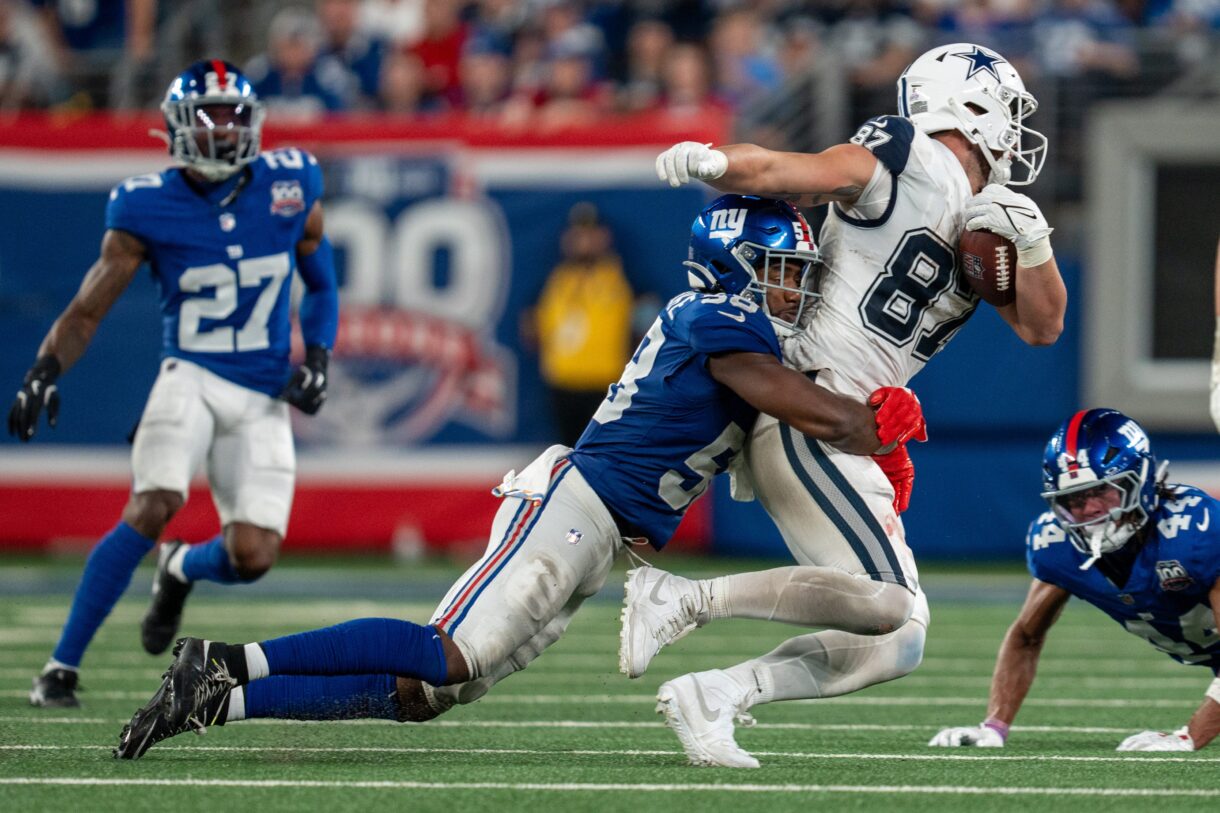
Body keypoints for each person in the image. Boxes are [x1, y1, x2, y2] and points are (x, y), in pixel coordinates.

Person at [112, 195, 927, 759]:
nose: (793, 283)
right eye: (780, 266)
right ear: (736, 261)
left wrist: (867, 446)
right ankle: (228, 659)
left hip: (602, 527)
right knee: (452, 653)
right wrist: (870, 424)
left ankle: (221, 696)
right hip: (576, 504)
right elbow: (800, 408)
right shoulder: (717, 315)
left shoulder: (737, 327)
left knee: (428, 691)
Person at [631, 42, 1068, 768]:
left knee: (899, 636)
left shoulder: (987, 213)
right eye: (1008, 111)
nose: (1015, 130)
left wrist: (1030, 236)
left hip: (853, 428)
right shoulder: (906, 151)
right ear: (973, 105)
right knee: (888, 600)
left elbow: (1042, 325)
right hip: (814, 402)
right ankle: (681, 599)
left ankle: (717, 693)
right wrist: (718, 162)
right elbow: (790, 172)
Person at [8, 60, 338, 708]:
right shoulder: (145, 203)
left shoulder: (292, 183)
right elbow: (86, 309)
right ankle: (59, 667)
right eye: (209, 117)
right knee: (154, 499)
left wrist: (320, 357)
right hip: (189, 372)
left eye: (234, 116)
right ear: (177, 127)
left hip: (263, 387)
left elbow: (322, 283)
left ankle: (180, 565)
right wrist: (44, 368)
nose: (223, 130)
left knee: (254, 555)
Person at [930, 408, 1220, 752]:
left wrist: (1190, 737)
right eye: (1075, 498)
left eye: (1104, 492)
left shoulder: (1195, 531)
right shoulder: (1057, 546)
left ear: (1139, 482)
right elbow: (1025, 636)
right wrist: (993, 727)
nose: (1090, 509)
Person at [524, 202, 635, 447]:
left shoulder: (621, 275)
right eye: (578, 234)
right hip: (563, 385)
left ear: (604, 237)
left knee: (604, 453)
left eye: (591, 234)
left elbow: (643, 322)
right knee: (566, 453)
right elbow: (534, 322)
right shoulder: (557, 278)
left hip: (605, 385)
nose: (584, 241)